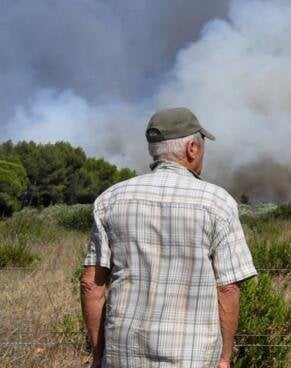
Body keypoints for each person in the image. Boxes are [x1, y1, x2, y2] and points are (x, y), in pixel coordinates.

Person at [80, 107, 257, 368]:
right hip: (193, 358)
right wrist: (225, 357)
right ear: (192, 149)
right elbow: (228, 288)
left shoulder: (110, 199)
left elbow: (91, 285)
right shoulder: (218, 203)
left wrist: (98, 355)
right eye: (203, 144)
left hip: (123, 356)